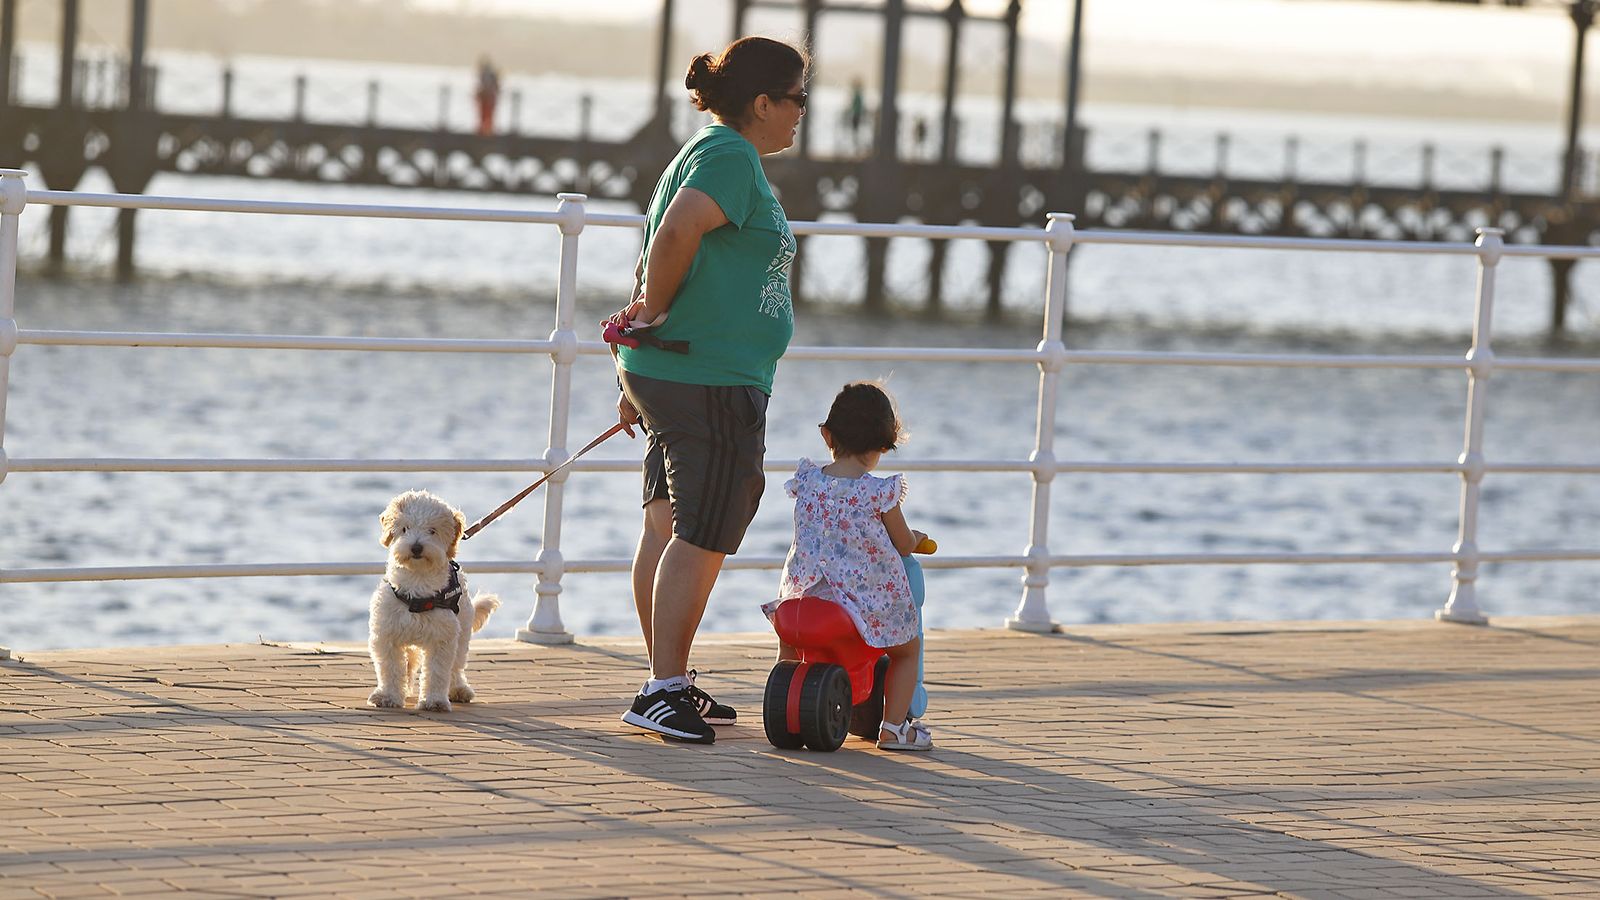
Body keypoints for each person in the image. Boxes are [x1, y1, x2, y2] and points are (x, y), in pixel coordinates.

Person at [608, 36, 808, 745]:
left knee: (667, 525)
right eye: (798, 98)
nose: (802, 112)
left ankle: (668, 677)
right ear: (763, 103)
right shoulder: (730, 156)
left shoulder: (705, 150)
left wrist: (640, 345)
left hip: (677, 372)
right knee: (703, 531)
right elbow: (677, 233)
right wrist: (654, 318)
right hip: (708, 378)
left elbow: (658, 251)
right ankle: (661, 689)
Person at [763, 382, 934, 751]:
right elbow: (903, 543)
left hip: (801, 598)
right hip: (856, 604)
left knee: (790, 645)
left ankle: (786, 692)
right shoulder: (878, 492)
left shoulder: (807, 481)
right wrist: (917, 537)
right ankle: (893, 730)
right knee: (907, 648)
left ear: (827, 435)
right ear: (883, 446)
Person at [474, 56, 500, 136]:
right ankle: (486, 130)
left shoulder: (486, 75)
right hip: (488, 97)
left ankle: (486, 130)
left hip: (487, 97)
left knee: (486, 114)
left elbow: (489, 86)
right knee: (486, 115)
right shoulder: (489, 75)